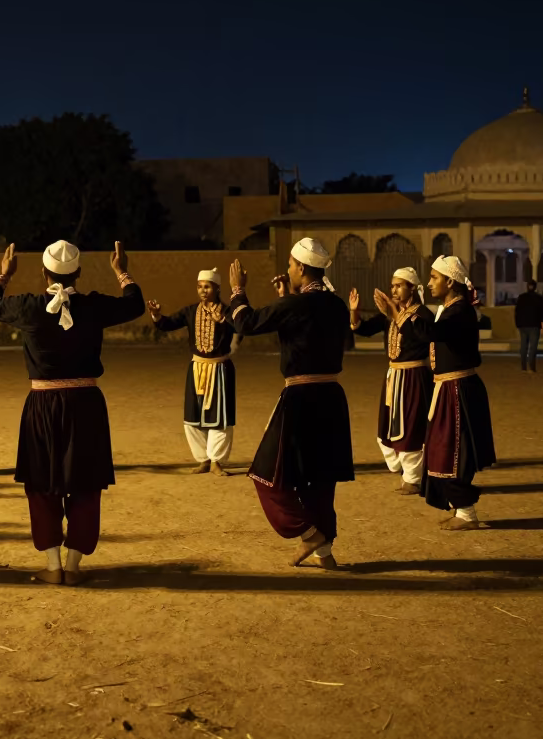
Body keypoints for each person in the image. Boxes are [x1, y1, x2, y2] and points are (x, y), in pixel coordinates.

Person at [0, 240, 145, 586]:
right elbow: (135, 304)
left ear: (43, 272)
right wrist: (121, 271)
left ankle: (53, 566)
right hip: (86, 404)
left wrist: (4, 274)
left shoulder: (28, 306)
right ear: (79, 273)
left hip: (43, 405)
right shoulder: (93, 306)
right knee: (85, 484)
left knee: (42, 483)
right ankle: (73, 566)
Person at [226, 239, 353, 569]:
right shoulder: (337, 306)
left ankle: (311, 535)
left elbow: (245, 323)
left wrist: (238, 290)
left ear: (300, 268)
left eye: (290, 265)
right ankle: (325, 555)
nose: (287, 270)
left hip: (301, 400)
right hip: (332, 399)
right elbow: (306, 331)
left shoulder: (297, 306)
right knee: (319, 478)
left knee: (266, 474)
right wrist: (287, 300)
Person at [375, 255, 495, 530]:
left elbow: (431, 333)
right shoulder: (451, 309)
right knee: (443, 450)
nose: (428, 284)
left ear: (450, 281)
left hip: (457, 389)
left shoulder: (459, 311)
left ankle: (466, 513)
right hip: (448, 388)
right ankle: (461, 509)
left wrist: (396, 314)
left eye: (434, 278)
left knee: (452, 451)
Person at [349, 268, 433, 494]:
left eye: (399, 285)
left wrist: (395, 313)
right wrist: (354, 312)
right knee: (387, 426)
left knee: (411, 427)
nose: (393, 289)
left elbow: (422, 336)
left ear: (412, 288)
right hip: (393, 378)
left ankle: (413, 479)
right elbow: (365, 330)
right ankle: (404, 470)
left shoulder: (423, 315)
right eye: (392, 285)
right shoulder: (390, 315)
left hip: (414, 378)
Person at [147, 268, 238, 476]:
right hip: (196, 368)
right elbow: (168, 324)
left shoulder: (227, 311)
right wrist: (157, 314)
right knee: (192, 416)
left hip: (220, 369)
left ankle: (217, 461)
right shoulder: (190, 311)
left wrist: (223, 321)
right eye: (199, 287)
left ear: (216, 288)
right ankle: (203, 459)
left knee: (219, 417)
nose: (203, 291)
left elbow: (242, 326)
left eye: (207, 287)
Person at [515, 279, 543, 373]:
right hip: (534, 324)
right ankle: (531, 367)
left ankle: (523, 367)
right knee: (533, 347)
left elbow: (517, 311)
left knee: (523, 346)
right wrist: (542, 321)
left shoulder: (522, 297)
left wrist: (518, 323)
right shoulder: (539, 298)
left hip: (523, 325)